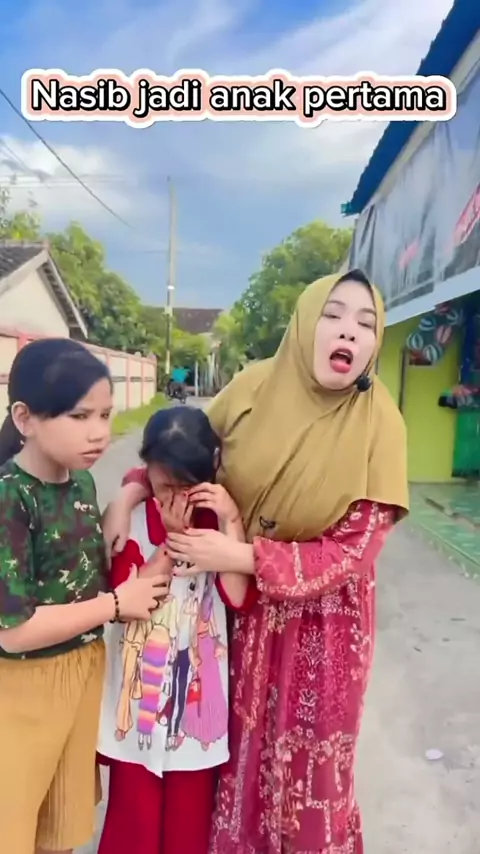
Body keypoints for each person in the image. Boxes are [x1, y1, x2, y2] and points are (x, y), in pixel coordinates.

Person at [103, 270, 409, 853]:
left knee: (309, 772)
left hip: (324, 629)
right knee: (234, 757)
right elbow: (182, 453)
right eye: (333, 315)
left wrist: (241, 553)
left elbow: (354, 551)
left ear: (376, 342)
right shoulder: (252, 388)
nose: (348, 331)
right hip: (238, 618)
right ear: (305, 324)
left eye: (366, 324)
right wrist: (129, 493)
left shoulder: (381, 426)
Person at [0, 338, 169, 854]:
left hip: (82, 677)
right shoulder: (10, 496)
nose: (99, 432)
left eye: (105, 415)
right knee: (13, 824)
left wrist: (123, 501)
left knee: (61, 828)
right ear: (25, 418)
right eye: (79, 416)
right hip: (22, 692)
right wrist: (116, 605)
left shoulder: (81, 484)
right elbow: (14, 631)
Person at [97, 406, 255, 854]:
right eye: (166, 486)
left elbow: (237, 596)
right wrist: (169, 540)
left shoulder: (218, 520)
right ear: (146, 468)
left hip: (197, 705)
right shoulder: (132, 519)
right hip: (139, 698)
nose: (178, 498)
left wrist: (231, 522)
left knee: (189, 823)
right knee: (135, 820)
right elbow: (128, 603)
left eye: (189, 486)